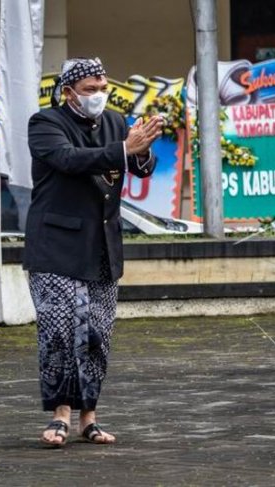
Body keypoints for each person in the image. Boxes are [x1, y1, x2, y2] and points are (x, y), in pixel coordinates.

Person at [25, 57, 162, 447]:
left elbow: (142, 166)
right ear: (68, 93)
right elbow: (68, 160)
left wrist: (139, 151)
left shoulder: (117, 122)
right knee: (60, 330)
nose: (98, 96)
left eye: (103, 89)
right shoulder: (45, 123)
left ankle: (89, 417)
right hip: (56, 246)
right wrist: (124, 149)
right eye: (90, 91)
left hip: (103, 246)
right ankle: (59, 415)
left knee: (97, 335)